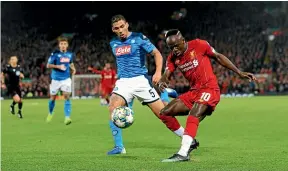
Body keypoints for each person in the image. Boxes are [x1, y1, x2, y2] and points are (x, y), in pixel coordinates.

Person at [157, 29, 257, 162]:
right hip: (193, 92)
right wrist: (163, 80)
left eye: (176, 46)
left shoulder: (199, 45)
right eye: (171, 47)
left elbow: (218, 56)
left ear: (183, 40)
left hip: (209, 89)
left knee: (193, 114)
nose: (174, 50)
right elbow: (167, 72)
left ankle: (183, 153)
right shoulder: (172, 57)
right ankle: (190, 141)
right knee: (164, 113)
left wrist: (239, 72)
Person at [107, 15, 197, 155]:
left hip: (140, 81)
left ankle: (188, 138)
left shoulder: (139, 38)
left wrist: (157, 73)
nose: (120, 30)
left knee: (163, 114)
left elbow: (156, 53)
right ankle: (119, 147)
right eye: (117, 28)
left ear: (127, 25)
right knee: (112, 107)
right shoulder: (113, 43)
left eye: (122, 26)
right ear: (113, 29)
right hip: (123, 82)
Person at [46, 37, 76, 125]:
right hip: (55, 79)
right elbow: (48, 65)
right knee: (52, 98)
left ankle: (67, 117)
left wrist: (73, 69)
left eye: (65, 44)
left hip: (66, 79)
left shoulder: (70, 54)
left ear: (67, 45)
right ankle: (51, 112)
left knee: (66, 96)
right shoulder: (55, 54)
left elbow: (70, 63)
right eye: (61, 44)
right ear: (59, 45)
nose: (63, 46)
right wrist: (58, 67)